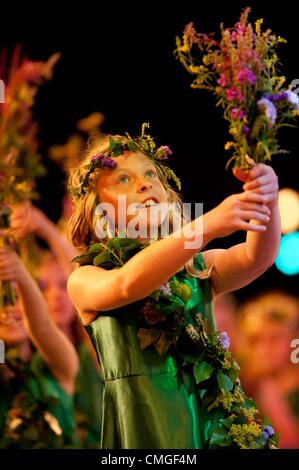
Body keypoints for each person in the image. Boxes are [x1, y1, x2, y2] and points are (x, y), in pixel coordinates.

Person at [66, 126, 280, 449]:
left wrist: (267, 198)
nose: (144, 184)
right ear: (98, 210)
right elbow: (127, 284)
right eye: (123, 179)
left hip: (210, 435)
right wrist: (205, 226)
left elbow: (256, 257)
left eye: (151, 173)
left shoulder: (194, 269)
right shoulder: (85, 278)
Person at [8, 201, 103, 447]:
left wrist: (46, 229)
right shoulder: (25, 358)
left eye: (63, 285)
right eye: (42, 287)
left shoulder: (91, 347)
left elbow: (85, 282)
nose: (54, 296)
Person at [0, 244, 80, 448]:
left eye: (17, 298)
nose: (10, 309)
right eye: (2, 300)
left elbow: (42, 329)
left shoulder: (56, 365)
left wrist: (20, 274)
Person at [235, 290, 299, 449]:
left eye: (274, 338)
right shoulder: (246, 387)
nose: (263, 350)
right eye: (254, 340)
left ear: (293, 339)